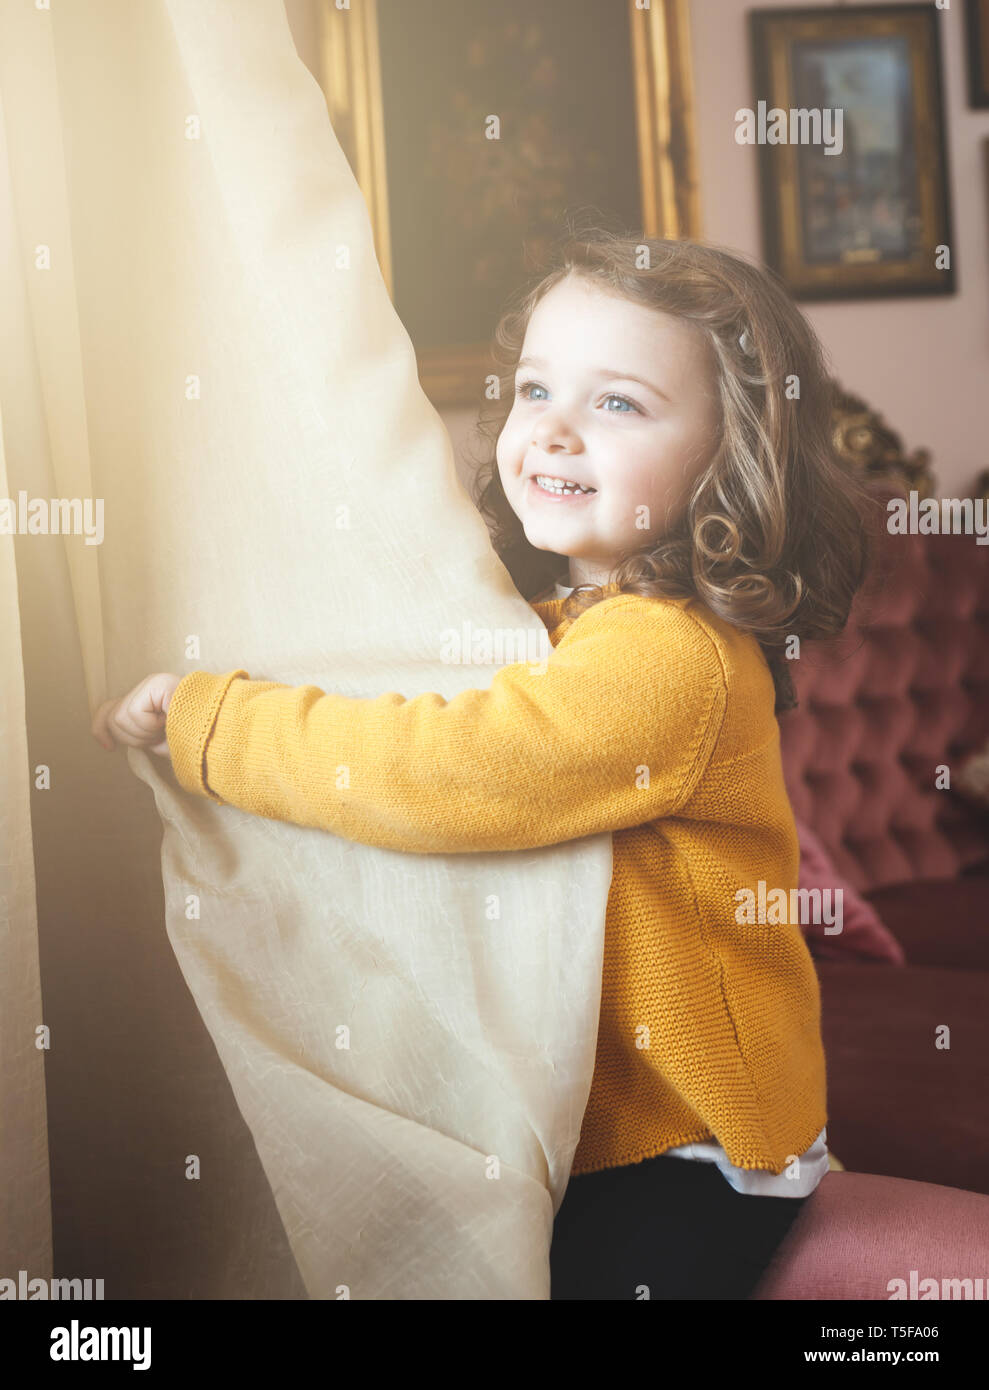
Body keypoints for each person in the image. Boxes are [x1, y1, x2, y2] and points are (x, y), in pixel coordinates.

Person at [92, 227, 879, 1299]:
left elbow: (451, 771)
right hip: (607, 1132)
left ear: (728, 455)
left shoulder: (669, 656)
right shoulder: (572, 627)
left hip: (690, 1148)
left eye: (617, 404)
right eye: (534, 389)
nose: (551, 431)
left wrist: (218, 724)